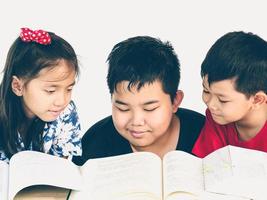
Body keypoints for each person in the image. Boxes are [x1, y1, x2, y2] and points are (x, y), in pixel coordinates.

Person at [73, 36, 205, 165]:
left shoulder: (205, 135)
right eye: (123, 108)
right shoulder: (94, 147)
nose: (136, 122)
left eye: (150, 108)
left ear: (175, 101)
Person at [0, 28, 82, 163]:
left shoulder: (66, 113)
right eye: (50, 91)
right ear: (18, 86)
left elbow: (61, 169)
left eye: (69, 89)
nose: (62, 101)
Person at [192, 31, 267, 158]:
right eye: (206, 91)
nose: (211, 104)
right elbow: (207, 165)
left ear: (257, 100)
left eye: (223, 100)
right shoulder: (218, 119)